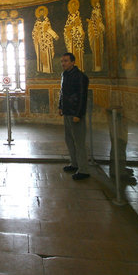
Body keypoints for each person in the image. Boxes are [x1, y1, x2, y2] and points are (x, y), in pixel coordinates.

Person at [58, 52, 90, 180]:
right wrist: (60, 106)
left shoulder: (81, 76)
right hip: (67, 112)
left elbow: (83, 97)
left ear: (73, 62)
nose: (63, 63)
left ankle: (84, 170)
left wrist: (79, 114)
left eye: (65, 61)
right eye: (62, 61)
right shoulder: (64, 75)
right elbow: (62, 92)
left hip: (75, 113)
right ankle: (75, 163)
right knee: (69, 139)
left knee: (79, 142)